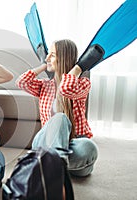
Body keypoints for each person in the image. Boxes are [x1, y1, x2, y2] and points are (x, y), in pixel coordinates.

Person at [16, 39, 98, 177]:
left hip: (73, 147)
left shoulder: (83, 83)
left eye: (52, 55)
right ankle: (54, 167)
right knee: (59, 118)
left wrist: (79, 67)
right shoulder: (44, 85)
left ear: (64, 58)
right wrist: (44, 64)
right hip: (46, 144)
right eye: (48, 55)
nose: (48, 58)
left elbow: (66, 89)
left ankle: (49, 164)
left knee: (88, 147)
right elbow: (22, 82)